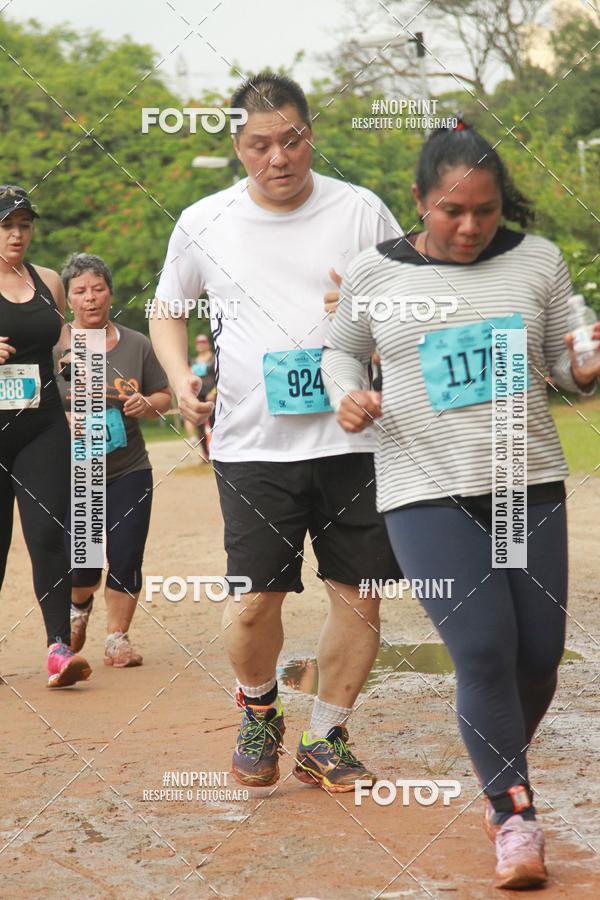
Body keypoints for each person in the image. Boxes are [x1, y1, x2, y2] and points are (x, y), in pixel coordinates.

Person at [323, 121, 600, 888]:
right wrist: (348, 394)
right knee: (482, 648)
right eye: (453, 211)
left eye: (485, 209)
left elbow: (567, 361)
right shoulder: (374, 273)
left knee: (538, 658)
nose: (472, 226)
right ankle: (514, 814)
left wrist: (584, 363)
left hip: (526, 479)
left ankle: (495, 773)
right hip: (423, 487)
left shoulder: (537, 261)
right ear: (418, 201)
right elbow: (339, 349)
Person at [150, 72, 403, 792]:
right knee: (256, 601)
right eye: (260, 145)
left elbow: (413, 303)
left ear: (309, 135)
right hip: (253, 444)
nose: (278, 158)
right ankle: (260, 708)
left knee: (360, 593)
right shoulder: (205, 221)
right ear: (239, 147)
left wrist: (370, 307)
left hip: (353, 437)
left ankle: (325, 735)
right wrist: (178, 378)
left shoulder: (360, 211)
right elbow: (168, 309)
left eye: (290, 140)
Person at [57, 253, 171, 667]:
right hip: (77, 473)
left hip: (129, 469)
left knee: (125, 554)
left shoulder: (136, 343)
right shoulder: (55, 346)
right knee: (82, 564)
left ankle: (116, 639)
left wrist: (147, 403)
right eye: (81, 291)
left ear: (110, 292)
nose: (91, 298)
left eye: (98, 288)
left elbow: (163, 396)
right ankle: (78, 607)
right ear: (68, 298)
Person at [0, 185, 91, 687]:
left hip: (42, 426)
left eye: (24, 225)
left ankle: (59, 647)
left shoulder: (49, 280)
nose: (17, 234)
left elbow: (62, 345)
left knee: (49, 534)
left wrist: (79, 364)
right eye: (7, 225)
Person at [184, 333, 216, 460]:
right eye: (198, 342)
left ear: (208, 344)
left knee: (215, 425)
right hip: (198, 396)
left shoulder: (214, 358)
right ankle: (206, 455)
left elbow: (220, 378)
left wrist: (213, 392)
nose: (201, 345)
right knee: (199, 426)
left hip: (213, 396)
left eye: (203, 342)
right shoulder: (193, 361)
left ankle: (218, 452)